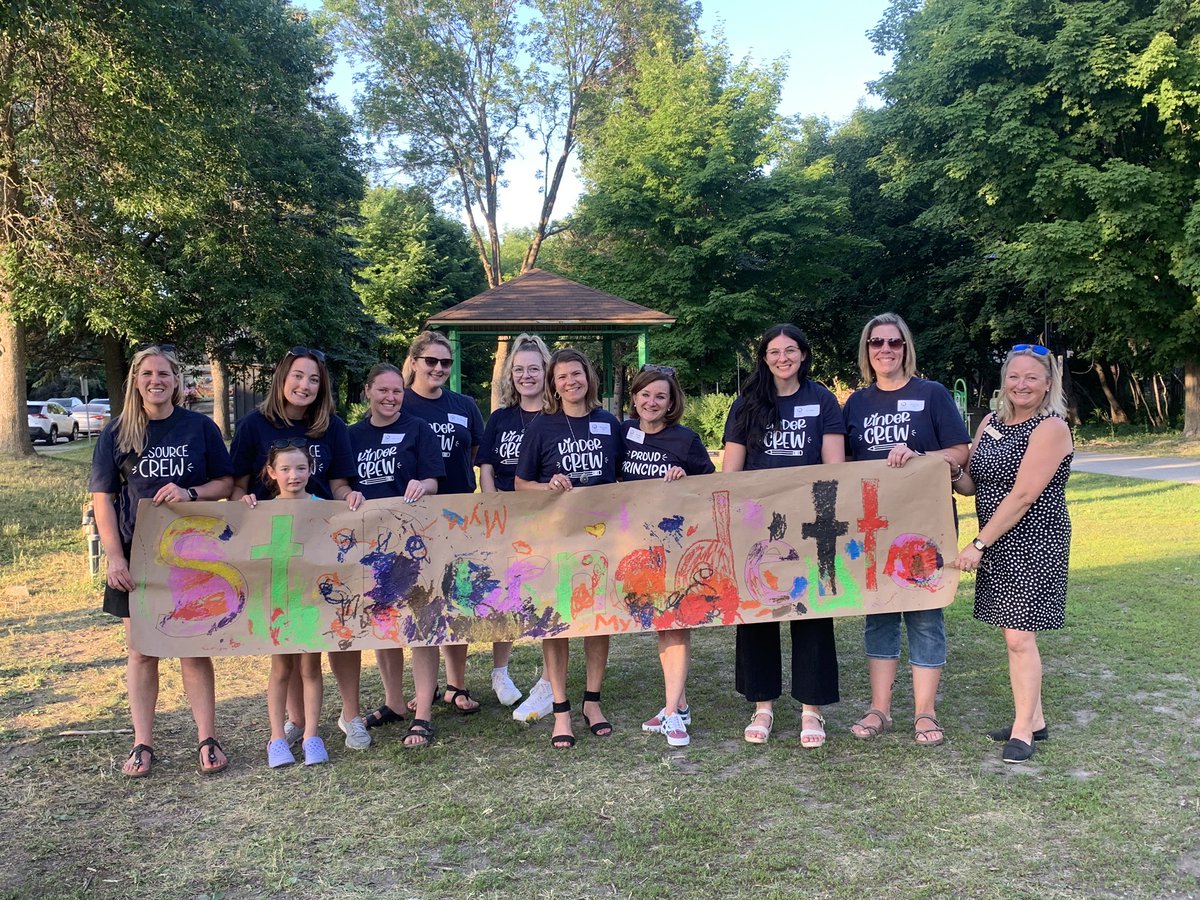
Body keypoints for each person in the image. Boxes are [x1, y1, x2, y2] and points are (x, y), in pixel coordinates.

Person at [89, 345, 235, 777]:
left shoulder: (199, 428)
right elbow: (103, 500)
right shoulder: (116, 433)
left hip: (193, 558)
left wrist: (190, 493)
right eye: (148, 373)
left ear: (177, 380)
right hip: (137, 559)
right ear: (136, 380)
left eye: (165, 374)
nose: (157, 380)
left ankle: (207, 739)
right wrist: (115, 557)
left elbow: (224, 482)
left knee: (192, 650)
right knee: (142, 653)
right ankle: (142, 743)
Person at [230, 346, 370, 752]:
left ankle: (351, 714)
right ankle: (295, 720)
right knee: (288, 635)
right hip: (275, 548)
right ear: (282, 378)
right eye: (298, 376)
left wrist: (350, 497)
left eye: (313, 379)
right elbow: (238, 486)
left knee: (339, 625)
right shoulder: (253, 426)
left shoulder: (333, 427)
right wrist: (242, 503)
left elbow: (340, 482)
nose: (304, 385)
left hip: (324, 544)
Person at [842, 313, 971, 747]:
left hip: (924, 529)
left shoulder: (931, 394)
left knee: (924, 617)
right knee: (878, 618)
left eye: (894, 343)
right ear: (867, 350)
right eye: (876, 342)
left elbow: (960, 452)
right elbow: (840, 467)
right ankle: (880, 708)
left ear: (905, 348)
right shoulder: (856, 404)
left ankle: (924, 712)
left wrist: (918, 455)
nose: (885, 350)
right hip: (873, 530)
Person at [722, 324, 845, 749]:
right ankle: (763, 705)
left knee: (809, 610)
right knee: (759, 608)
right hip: (757, 521)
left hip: (810, 518)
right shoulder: (746, 404)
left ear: (804, 355)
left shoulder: (822, 400)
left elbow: (834, 467)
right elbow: (731, 472)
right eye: (774, 351)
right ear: (764, 358)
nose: (782, 358)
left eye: (790, 350)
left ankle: (812, 710)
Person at [948, 343, 1073, 763]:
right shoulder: (989, 422)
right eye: (1014, 376)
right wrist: (946, 469)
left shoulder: (1051, 428)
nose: (1021, 385)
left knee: (1020, 636)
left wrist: (979, 543)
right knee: (1012, 634)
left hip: (1035, 540)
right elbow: (971, 483)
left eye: (1031, 378)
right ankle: (1033, 719)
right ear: (1004, 381)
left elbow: (1022, 496)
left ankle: (1023, 731)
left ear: (1048, 384)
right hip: (998, 539)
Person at [515, 348, 624, 749]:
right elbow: (521, 485)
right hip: (556, 539)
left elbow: (626, 480)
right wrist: (549, 486)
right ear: (553, 384)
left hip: (602, 539)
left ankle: (591, 702)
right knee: (556, 621)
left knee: (598, 622)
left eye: (576, 374)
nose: (570, 382)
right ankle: (561, 708)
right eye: (561, 377)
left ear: (588, 378)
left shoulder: (608, 423)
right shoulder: (541, 427)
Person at [347, 362, 445, 748]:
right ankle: (393, 703)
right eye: (383, 390)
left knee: (422, 622)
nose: (390, 397)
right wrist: (345, 494)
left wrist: (422, 484)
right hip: (370, 545)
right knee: (382, 621)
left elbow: (434, 479)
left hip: (414, 540)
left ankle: (422, 712)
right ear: (368, 392)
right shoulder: (351, 434)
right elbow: (341, 482)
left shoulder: (418, 428)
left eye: (397, 391)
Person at [248, 443, 361, 766]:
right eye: (284, 469)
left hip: (312, 603)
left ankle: (312, 734)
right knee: (281, 668)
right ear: (271, 473)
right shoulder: (262, 511)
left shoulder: (324, 508)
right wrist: (246, 507)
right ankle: (277, 738)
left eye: (300, 468)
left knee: (311, 667)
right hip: (278, 601)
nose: (293, 475)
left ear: (311, 469)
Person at [620, 365, 715, 748]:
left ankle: (674, 714)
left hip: (675, 548)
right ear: (635, 398)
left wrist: (685, 480)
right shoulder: (621, 434)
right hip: (637, 547)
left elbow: (709, 486)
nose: (652, 402)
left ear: (672, 401)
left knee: (675, 623)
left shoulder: (687, 440)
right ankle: (679, 703)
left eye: (660, 396)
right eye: (645, 395)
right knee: (663, 624)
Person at [401, 331, 486, 716]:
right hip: (414, 516)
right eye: (431, 361)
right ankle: (424, 688)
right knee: (420, 599)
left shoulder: (464, 404)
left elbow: (474, 452)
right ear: (415, 362)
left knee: (456, 598)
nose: (438, 368)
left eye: (445, 362)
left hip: (459, 513)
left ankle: (456, 684)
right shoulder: (400, 402)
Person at [477, 333, 556, 719]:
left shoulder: (557, 417)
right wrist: (495, 509)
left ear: (547, 370)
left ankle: (546, 682)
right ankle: (500, 672)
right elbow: (487, 466)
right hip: (505, 519)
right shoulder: (500, 417)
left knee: (545, 597)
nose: (526, 376)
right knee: (505, 596)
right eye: (519, 369)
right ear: (511, 374)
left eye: (534, 369)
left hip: (546, 519)